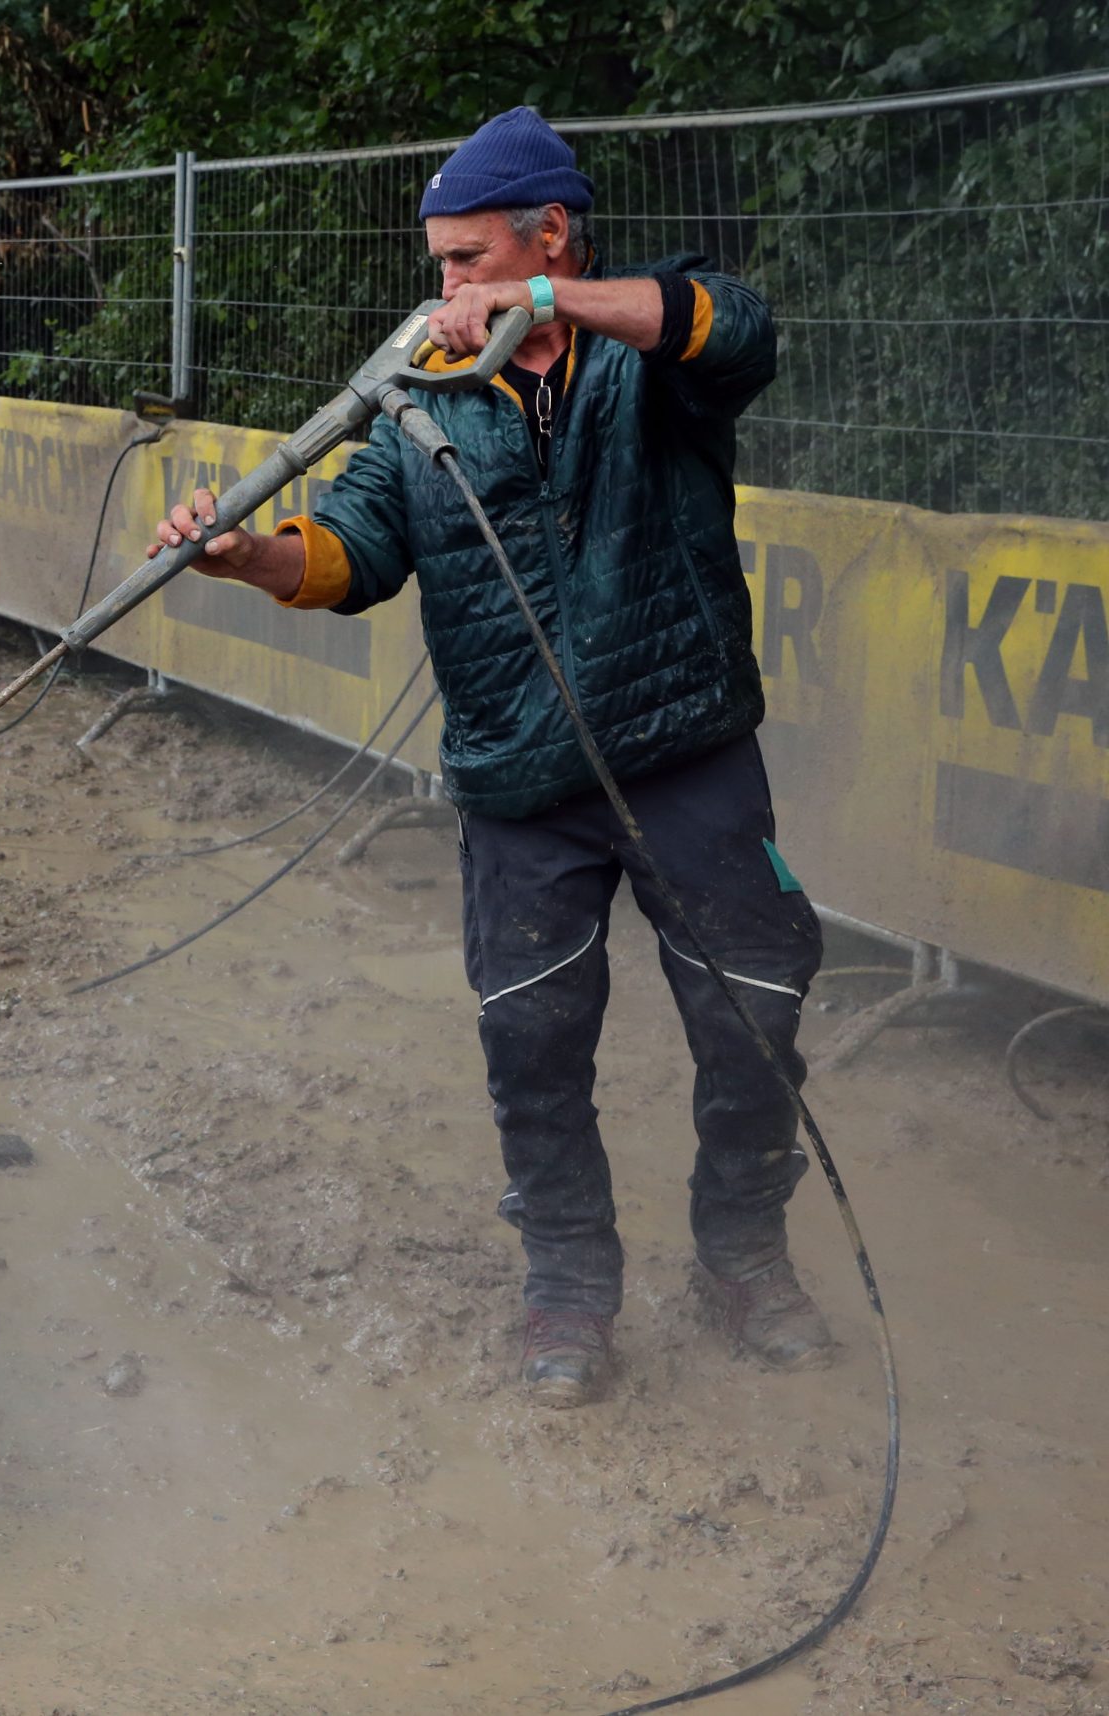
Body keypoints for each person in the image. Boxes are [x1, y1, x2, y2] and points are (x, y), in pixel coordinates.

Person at [151, 107, 832, 1404]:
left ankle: (744, 1257)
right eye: (440, 264)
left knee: (757, 1024)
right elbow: (351, 549)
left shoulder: (651, 363)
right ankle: (570, 1292)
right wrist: (250, 558)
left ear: (548, 237)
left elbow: (736, 324)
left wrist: (543, 303)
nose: (445, 290)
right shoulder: (420, 397)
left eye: (468, 260)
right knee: (534, 1049)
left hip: (686, 756)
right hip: (521, 787)